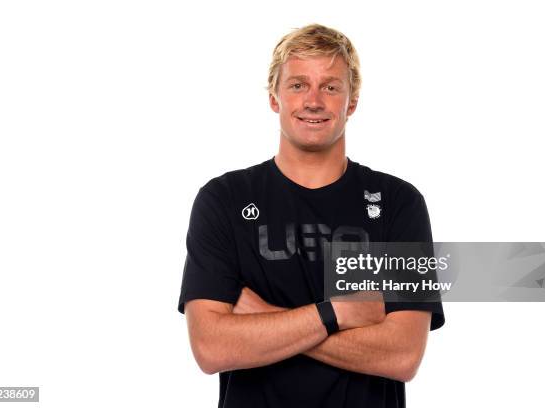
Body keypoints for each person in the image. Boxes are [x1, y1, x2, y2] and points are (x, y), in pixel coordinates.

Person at [177, 23, 445, 408]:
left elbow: (402, 355)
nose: (314, 101)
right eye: (298, 85)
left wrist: (266, 319)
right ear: (275, 97)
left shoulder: (399, 203)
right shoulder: (223, 200)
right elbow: (211, 347)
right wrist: (339, 311)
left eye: (331, 87)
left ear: (351, 102)